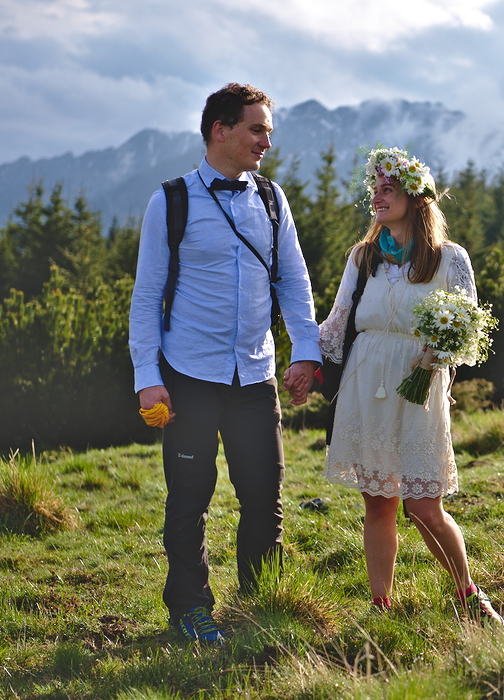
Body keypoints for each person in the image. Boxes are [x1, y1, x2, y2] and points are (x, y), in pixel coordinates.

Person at [129, 83, 322, 645]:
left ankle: (262, 603)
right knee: (189, 497)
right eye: (257, 128)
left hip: (256, 375)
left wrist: (305, 352)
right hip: (188, 375)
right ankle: (190, 610)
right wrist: (148, 380)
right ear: (221, 130)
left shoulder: (272, 199)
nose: (266, 140)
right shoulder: (171, 200)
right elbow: (146, 298)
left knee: (264, 494)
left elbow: (293, 281)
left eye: (268, 129)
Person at [318, 146, 504, 626]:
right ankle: (381, 607)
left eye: (388, 189)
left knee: (424, 505)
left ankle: (468, 595)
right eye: (374, 190)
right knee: (378, 503)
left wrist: (436, 356)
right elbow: (339, 320)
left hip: (418, 386)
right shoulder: (363, 257)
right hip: (367, 381)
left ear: (415, 197)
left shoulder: (448, 259)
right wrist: (305, 358)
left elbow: (468, 330)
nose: (377, 197)